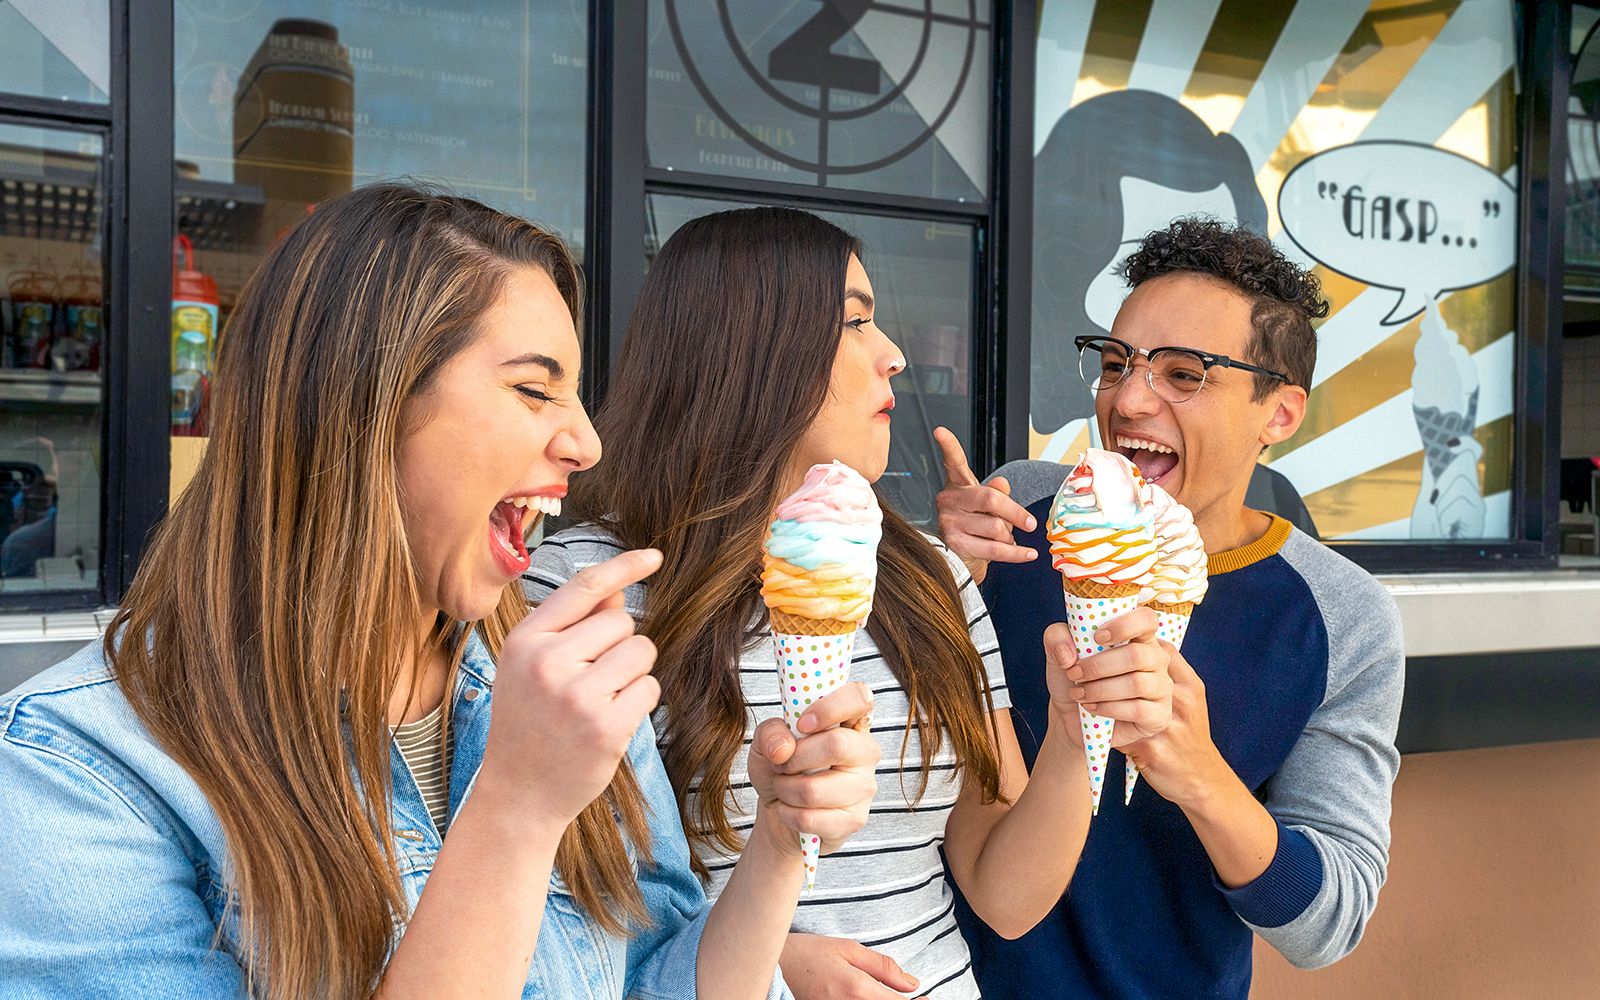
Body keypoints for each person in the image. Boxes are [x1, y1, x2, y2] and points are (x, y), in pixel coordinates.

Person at [0, 185, 882, 1000]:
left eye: (575, 395)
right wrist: (515, 811)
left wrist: (773, 847)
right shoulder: (81, 772)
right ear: (357, 405)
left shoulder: (549, 688)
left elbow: (659, 978)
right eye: (535, 388)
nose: (587, 443)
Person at [523, 207, 1173, 1000]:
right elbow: (550, 902)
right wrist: (762, 955)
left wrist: (1076, 732)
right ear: (748, 349)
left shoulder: (928, 575)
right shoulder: (586, 586)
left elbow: (1005, 898)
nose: (894, 355)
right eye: (856, 322)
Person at [938, 217, 1405, 1000]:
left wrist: (1198, 772)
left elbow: (1330, 925)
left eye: (1184, 374)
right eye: (1117, 363)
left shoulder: (1342, 615)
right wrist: (938, 578)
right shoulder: (1019, 513)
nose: (1127, 399)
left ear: (1279, 414)